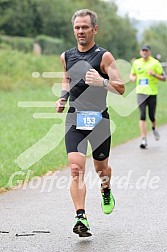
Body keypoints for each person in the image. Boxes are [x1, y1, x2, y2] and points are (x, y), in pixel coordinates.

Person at [56, 9, 124, 237]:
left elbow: (121, 88)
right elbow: (66, 78)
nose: (80, 31)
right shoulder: (66, 56)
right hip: (75, 117)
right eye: (77, 27)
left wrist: (102, 81)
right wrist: (63, 98)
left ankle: (106, 189)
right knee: (76, 169)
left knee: (101, 169)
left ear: (95, 29)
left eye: (85, 27)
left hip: (99, 121)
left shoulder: (104, 57)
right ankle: (81, 217)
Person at [130, 45, 166, 149]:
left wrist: (154, 74)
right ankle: (143, 139)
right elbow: (132, 74)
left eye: (146, 51)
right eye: (143, 51)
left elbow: (164, 78)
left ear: (149, 52)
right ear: (140, 52)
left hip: (152, 93)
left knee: (151, 116)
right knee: (142, 115)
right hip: (141, 92)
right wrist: (132, 78)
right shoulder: (136, 63)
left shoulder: (155, 63)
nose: (144, 52)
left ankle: (154, 128)